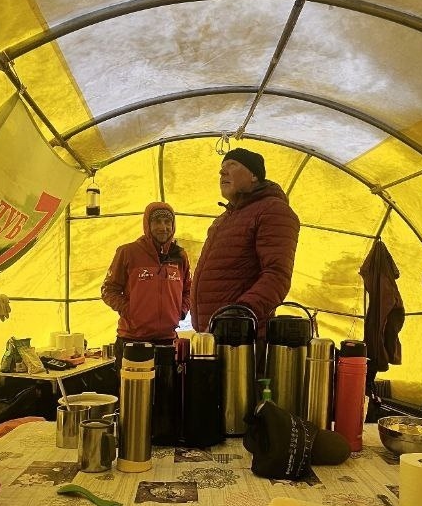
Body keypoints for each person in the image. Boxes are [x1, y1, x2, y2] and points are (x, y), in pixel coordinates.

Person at [190, 148, 301, 332]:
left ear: (254, 175)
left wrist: (241, 313)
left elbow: (277, 275)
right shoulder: (223, 219)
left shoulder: (273, 211)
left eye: (232, 165)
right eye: (222, 167)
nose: (222, 171)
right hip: (212, 332)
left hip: (241, 335)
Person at [101, 202, 191, 357]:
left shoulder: (180, 256)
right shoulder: (128, 252)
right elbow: (108, 290)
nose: (163, 227)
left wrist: (180, 311)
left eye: (167, 222)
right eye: (157, 222)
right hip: (132, 339)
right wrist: (130, 311)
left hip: (167, 341)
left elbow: (189, 290)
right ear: (147, 225)